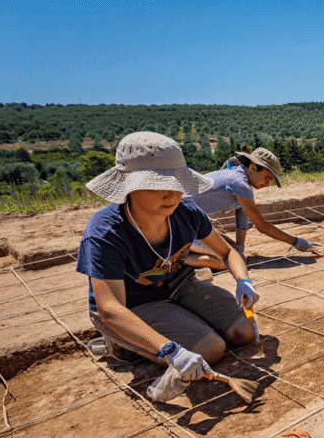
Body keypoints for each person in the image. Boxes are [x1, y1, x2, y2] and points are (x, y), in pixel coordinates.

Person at [78, 132, 258, 384]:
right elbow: (110, 308)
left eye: (176, 183)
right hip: (135, 304)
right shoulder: (105, 232)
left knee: (244, 332)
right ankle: (123, 344)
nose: (171, 194)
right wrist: (169, 349)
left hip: (181, 286)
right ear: (129, 185)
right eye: (157, 184)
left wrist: (243, 281)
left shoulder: (187, 212)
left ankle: (181, 322)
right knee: (210, 349)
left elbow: (227, 252)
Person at [188, 147, 315, 266]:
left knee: (235, 254)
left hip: (191, 224)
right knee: (230, 262)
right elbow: (262, 226)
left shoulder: (239, 179)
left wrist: (240, 249)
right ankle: (175, 259)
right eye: (267, 177)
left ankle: (185, 251)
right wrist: (296, 242)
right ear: (253, 168)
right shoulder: (239, 184)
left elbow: (242, 219)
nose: (267, 184)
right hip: (179, 224)